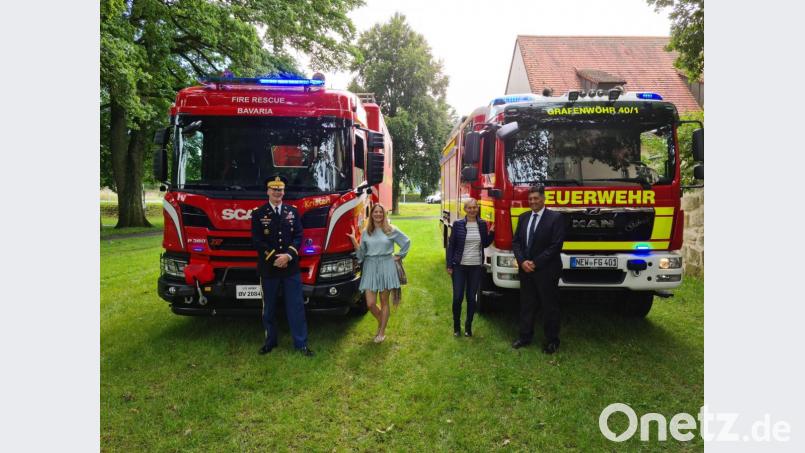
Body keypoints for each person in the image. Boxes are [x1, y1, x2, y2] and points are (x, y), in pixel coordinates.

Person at [251, 175, 313, 356]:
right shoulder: (258, 213)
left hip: (290, 268)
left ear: (284, 192)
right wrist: (273, 258)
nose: (278, 192)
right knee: (269, 308)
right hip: (269, 268)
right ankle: (270, 342)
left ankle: (301, 344)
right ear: (268, 191)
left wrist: (288, 255)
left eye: (281, 189)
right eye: (274, 189)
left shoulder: (292, 212)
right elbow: (257, 240)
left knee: (296, 307)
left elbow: (299, 236)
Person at [511, 186, 566, 354]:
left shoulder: (555, 218)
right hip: (525, 270)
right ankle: (525, 337)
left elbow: (556, 245)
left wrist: (535, 263)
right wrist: (522, 262)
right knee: (527, 305)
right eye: (530, 199)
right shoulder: (523, 217)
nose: (533, 201)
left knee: (549, 306)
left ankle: (552, 341)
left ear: (543, 199)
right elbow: (516, 243)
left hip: (546, 270)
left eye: (536, 198)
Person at [346, 204, 411, 343]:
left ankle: (381, 332)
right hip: (370, 266)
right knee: (370, 303)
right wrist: (353, 239)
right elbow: (362, 254)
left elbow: (406, 241)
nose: (378, 214)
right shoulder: (366, 232)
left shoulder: (390, 230)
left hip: (386, 266)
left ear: (384, 214)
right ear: (372, 214)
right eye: (375, 212)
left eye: (380, 212)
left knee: (384, 301)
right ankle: (382, 321)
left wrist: (399, 255)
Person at [445, 199, 495, 337]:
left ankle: (468, 327)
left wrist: (491, 233)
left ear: (477, 209)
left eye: (475, 208)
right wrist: (449, 265)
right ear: (465, 209)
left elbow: (484, 243)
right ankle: (456, 327)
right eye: (470, 208)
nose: (472, 210)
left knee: (471, 298)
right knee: (457, 297)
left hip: (475, 267)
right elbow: (451, 246)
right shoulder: (458, 224)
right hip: (459, 266)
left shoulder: (482, 224)